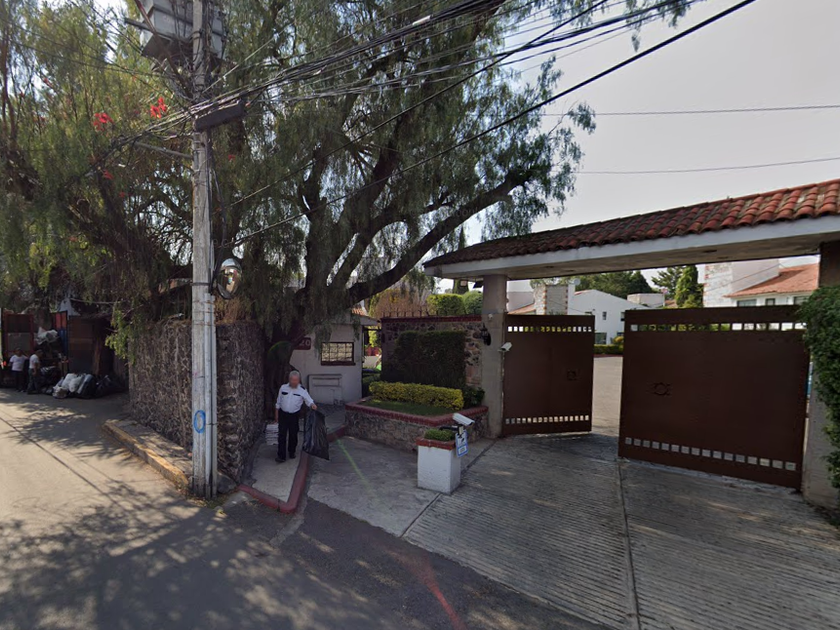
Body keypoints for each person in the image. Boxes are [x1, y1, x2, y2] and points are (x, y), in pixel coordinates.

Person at [275, 370, 317, 463]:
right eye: (292, 380)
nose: (294, 382)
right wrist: (276, 414)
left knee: (293, 434)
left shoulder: (302, 390)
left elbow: (309, 400)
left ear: (299, 380)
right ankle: (281, 456)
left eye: (296, 380)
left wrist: (312, 405)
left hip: (294, 416)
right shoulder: (283, 388)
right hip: (283, 414)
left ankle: (291, 451)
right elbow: (278, 402)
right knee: (282, 435)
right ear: (289, 379)